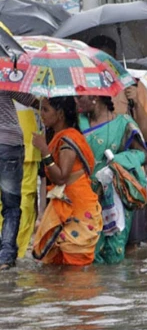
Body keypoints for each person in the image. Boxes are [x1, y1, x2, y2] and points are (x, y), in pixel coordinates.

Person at [31, 97, 102, 265]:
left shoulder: (68, 139)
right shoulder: (62, 136)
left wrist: (44, 150)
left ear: (60, 114)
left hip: (77, 207)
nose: (42, 114)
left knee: (75, 270)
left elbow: (61, 177)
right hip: (69, 205)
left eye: (46, 110)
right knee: (61, 268)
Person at [77, 95, 147, 264]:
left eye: (80, 97)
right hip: (84, 197)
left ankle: (114, 290)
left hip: (115, 197)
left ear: (95, 98)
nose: (76, 101)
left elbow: (143, 155)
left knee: (114, 252)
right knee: (85, 252)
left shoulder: (124, 123)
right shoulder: (77, 122)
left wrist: (115, 163)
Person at [0, 91, 38, 270]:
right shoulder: (4, 76)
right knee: (11, 206)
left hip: (10, 144)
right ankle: (6, 257)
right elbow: (30, 100)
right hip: (9, 144)